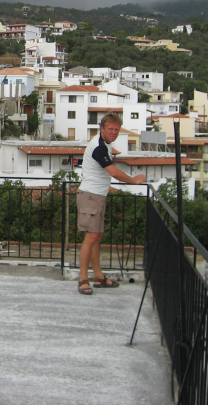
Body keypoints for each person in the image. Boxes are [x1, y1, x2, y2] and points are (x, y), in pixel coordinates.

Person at [77, 112, 146, 295]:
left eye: (116, 129)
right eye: (110, 129)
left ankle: (98, 276)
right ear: (102, 129)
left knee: (96, 236)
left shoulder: (105, 144)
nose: (114, 132)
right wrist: (134, 181)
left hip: (98, 196)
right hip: (90, 196)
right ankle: (83, 279)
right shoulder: (99, 147)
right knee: (90, 238)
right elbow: (114, 172)